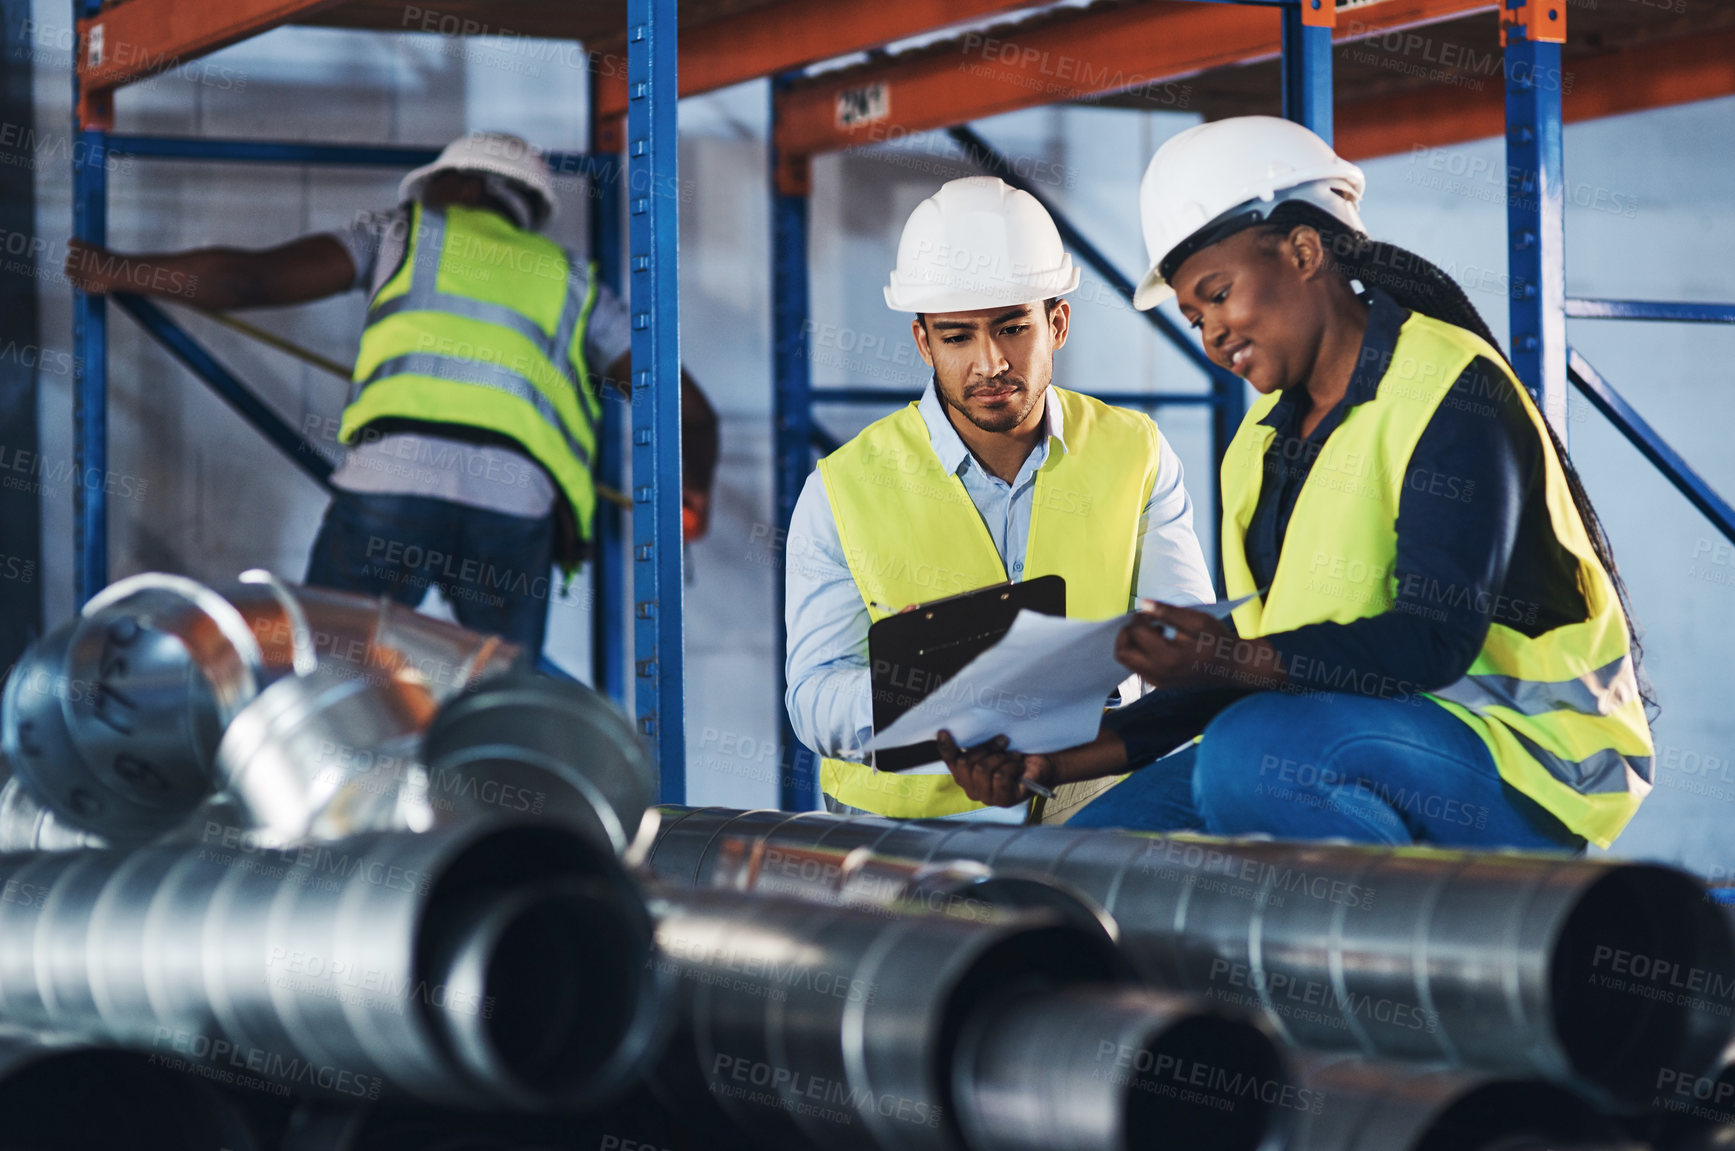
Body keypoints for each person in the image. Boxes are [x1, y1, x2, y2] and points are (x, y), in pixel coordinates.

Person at [937, 117, 1655, 852]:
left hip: (1530, 772)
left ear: (1304, 251)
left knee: (1251, 753)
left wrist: (1231, 657)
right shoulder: (1258, 447)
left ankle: (1404, 955)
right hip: (1332, 741)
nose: (1211, 332)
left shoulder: (1450, 387)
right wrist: (1050, 760)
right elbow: (1259, 660)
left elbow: (1430, 640)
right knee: (1078, 856)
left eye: (1218, 295)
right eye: (1193, 319)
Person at [64, 131, 719, 653]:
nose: (427, 194)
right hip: (513, 506)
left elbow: (251, 281)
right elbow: (683, 403)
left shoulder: (399, 231)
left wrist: (118, 269)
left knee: (331, 675)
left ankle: (333, 811)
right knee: (498, 707)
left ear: (464, 182)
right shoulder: (574, 281)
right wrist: (694, 490)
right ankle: (496, 814)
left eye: (435, 183)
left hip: (392, 485)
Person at [785, 176, 1215, 822]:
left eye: (1012, 328)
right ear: (923, 341)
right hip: (908, 830)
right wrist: (944, 704)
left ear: (1057, 322)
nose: (989, 363)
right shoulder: (841, 489)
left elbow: (1187, 643)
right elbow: (812, 696)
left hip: (1083, 795)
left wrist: (1093, 686)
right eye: (957, 338)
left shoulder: (1136, 452)